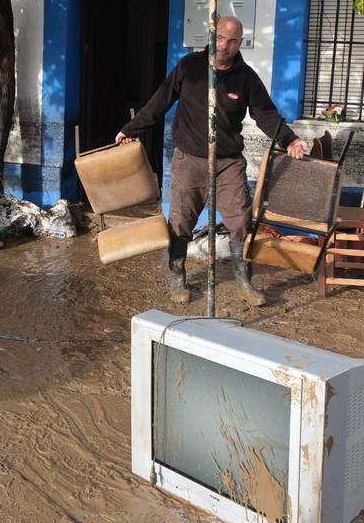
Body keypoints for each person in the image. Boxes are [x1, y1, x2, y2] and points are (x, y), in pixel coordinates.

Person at [116, 16, 307, 306]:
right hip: (189, 158)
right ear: (212, 36)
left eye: (232, 41)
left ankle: (244, 279)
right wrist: (131, 130)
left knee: (241, 220)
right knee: (181, 221)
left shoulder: (246, 77)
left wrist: (290, 140)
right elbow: (160, 101)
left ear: (239, 43)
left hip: (228, 162)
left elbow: (265, 114)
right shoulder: (190, 68)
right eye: (220, 39)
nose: (224, 46)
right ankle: (177, 275)